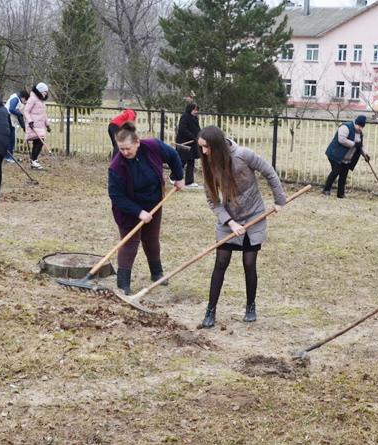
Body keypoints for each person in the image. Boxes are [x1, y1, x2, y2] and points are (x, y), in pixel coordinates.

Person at [197, 125, 287, 328]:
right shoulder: (209, 164)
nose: (204, 152)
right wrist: (229, 222)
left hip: (254, 214)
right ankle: (210, 311)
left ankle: (250, 307)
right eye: (201, 147)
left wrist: (279, 200)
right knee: (221, 262)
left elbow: (269, 172)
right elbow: (213, 200)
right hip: (229, 218)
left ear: (218, 145)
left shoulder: (244, 155)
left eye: (207, 147)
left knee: (249, 263)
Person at [108, 121, 185, 295]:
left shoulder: (153, 146)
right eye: (121, 149)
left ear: (137, 143)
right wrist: (138, 212)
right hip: (128, 208)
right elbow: (115, 194)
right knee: (130, 242)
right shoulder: (116, 166)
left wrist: (178, 177)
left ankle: (157, 273)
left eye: (128, 148)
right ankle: (123, 283)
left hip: (153, 202)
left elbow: (173, 155)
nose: (125, 153)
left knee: (151, 238)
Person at [323, 115, 371, 198]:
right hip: (335, 154)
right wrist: (354, 144)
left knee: (344, 174)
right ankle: (326, 190)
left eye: (362, 127)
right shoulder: (345, 127)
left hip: (347, 157)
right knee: (336, 171)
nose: (360, 128)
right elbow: (341, 140)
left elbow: (361, 146)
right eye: (359, 126)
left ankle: (341, 194)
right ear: (355, 123)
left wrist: (366, 155)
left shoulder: (359, 133)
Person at [23, 82, 51, 170]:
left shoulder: (41, 101)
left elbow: (43, 114)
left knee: (37, 142)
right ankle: (34, 160)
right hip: (33, 125)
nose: (46, 93)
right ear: (40, 91)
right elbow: (26, 111)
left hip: (40, 126)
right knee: (40, 141)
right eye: (44, 91)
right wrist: (30, 122)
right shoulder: (33, 99)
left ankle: (34, 160)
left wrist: (47, 125)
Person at [176, 103, 203, 189]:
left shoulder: (194, 117)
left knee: (191, 160)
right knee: (182, 161)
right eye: (194, 110)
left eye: (197, 110)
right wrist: (193, 137)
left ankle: (189, 181)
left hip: (193, 143)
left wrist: (200, 135)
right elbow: (182, 129)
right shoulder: (185, 116)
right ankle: (174, 177)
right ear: (190, 109)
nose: (196, 112)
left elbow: (197, 128)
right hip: (185, 142)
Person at [4, 90, 30, 163]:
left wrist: (24, 127)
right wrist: (19, 113)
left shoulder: (19, 102)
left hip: (12, 121)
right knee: (10, 139)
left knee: (12, 139)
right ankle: (7, 157)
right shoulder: (15, 99)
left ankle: (10, 156)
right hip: (7, 120)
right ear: (24, 98)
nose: (25, 102)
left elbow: (19, 117)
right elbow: (11, 109)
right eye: (25, 101)